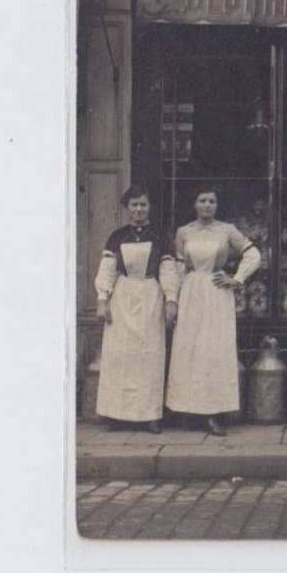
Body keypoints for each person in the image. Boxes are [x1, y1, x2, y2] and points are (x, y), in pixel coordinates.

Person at [166, 186, 261, 436]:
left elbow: (253, 254)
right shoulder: (184, 232)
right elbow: (177, 268)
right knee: (191, 349)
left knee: (215, 350)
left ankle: (214, 413)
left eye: (212, 201)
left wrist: (237, 278)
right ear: (194, 204)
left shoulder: (227, 230)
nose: (207, 205)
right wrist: (172, 300)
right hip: (191, 291)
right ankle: (189, 410)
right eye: (202, 200)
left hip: (217, 291)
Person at [94, 185, 178, 434]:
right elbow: (107, 270)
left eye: (143, 204)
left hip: (150, 296)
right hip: (123, 298)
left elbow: (168, 271)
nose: (139, 210)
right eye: (134, 205)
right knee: (121, 355)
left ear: (149, 207)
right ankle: (116, 415)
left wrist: (171, 300)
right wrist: (102, 299)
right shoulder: (117, 236)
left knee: (149, 355)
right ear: (127, 208)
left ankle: (150, 415)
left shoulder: (160, 236)